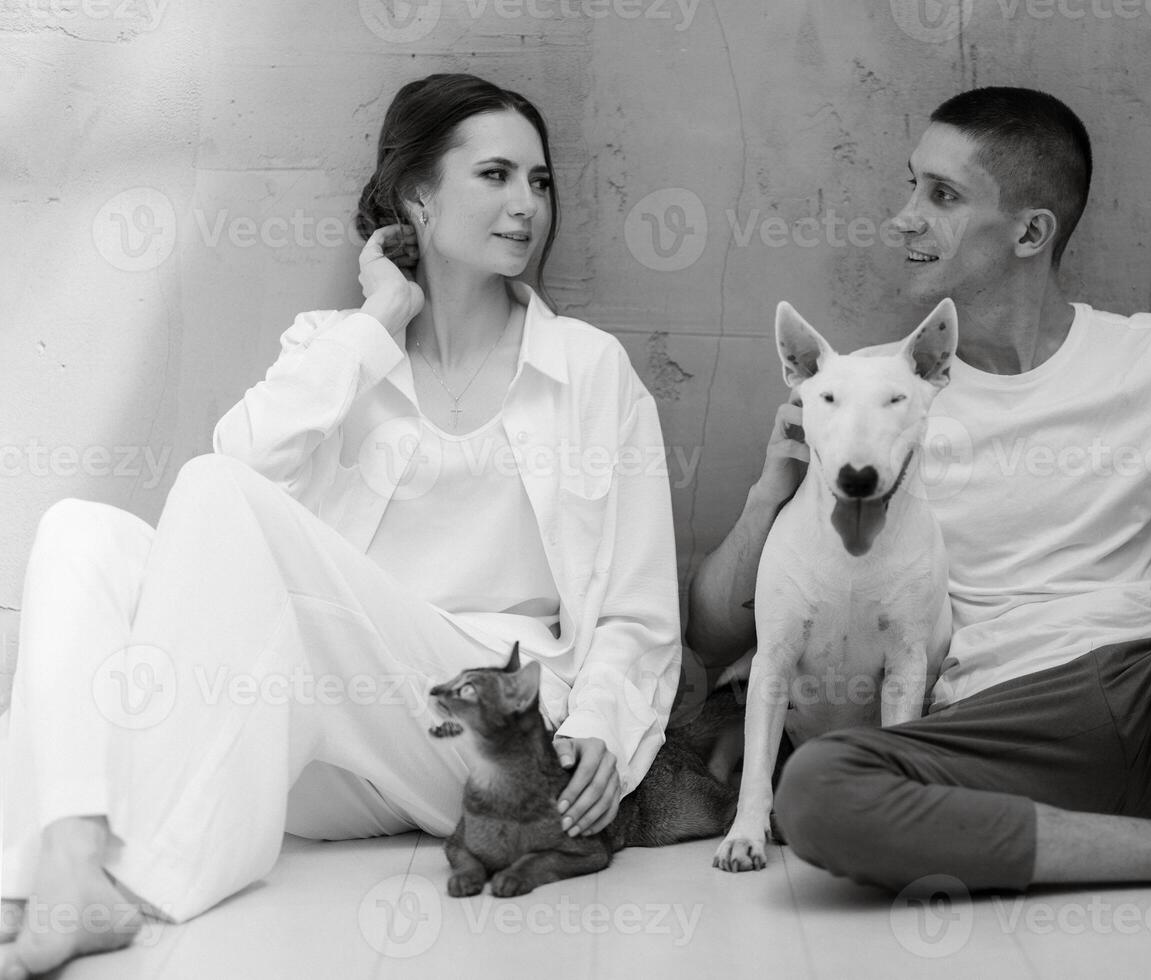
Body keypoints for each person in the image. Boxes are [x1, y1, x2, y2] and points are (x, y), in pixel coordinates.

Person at [686, 86, 1151, 942]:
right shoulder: (868, 393)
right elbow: (711, 638)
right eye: (910, 186)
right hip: (1002, 730)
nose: (902, 219)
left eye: (941, 196)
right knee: (816, 790)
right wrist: (771, 494)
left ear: (1032, 233)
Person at [0, 73, 681, 977]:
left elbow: (638, 609)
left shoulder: (590, 371)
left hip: (472, 740)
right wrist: (374, 325)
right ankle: (65, 857)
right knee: (81, 532)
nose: (527, 205)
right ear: (417, 198)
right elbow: (231, 487)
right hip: (309, 751)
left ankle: (137, 883)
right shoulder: (334, 346)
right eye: (496, 176)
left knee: (218, 488)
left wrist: (602, 723)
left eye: (540, 181)